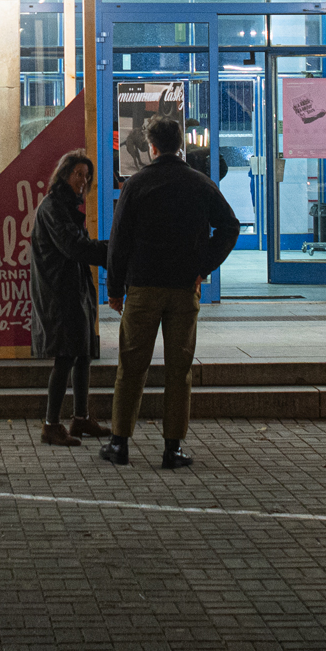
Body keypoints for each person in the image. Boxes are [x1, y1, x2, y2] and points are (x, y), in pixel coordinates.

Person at [102, 115, 240, 469]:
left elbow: (119, 241)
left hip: (143, 287)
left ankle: (119, 443)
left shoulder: (136, 184)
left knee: (131, 366)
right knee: (179, 370)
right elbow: (229, 226)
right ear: (180, 145)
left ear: (151, 147)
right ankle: (173, 448)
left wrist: (114, 289)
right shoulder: (199, 183)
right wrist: (203, 267)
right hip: (183, 288)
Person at [29, 150, 109, 446]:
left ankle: (80, 418)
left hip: (75, 289)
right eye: (78, 174)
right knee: (65, 357)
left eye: (87, 176)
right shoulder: (53, 207)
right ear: (64, 174)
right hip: (59, 292)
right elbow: (74, 247)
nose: (83, 181)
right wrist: (113, 251)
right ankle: (51, 425)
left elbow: (79, 246)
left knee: (83, 353)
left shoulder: (69, 205)